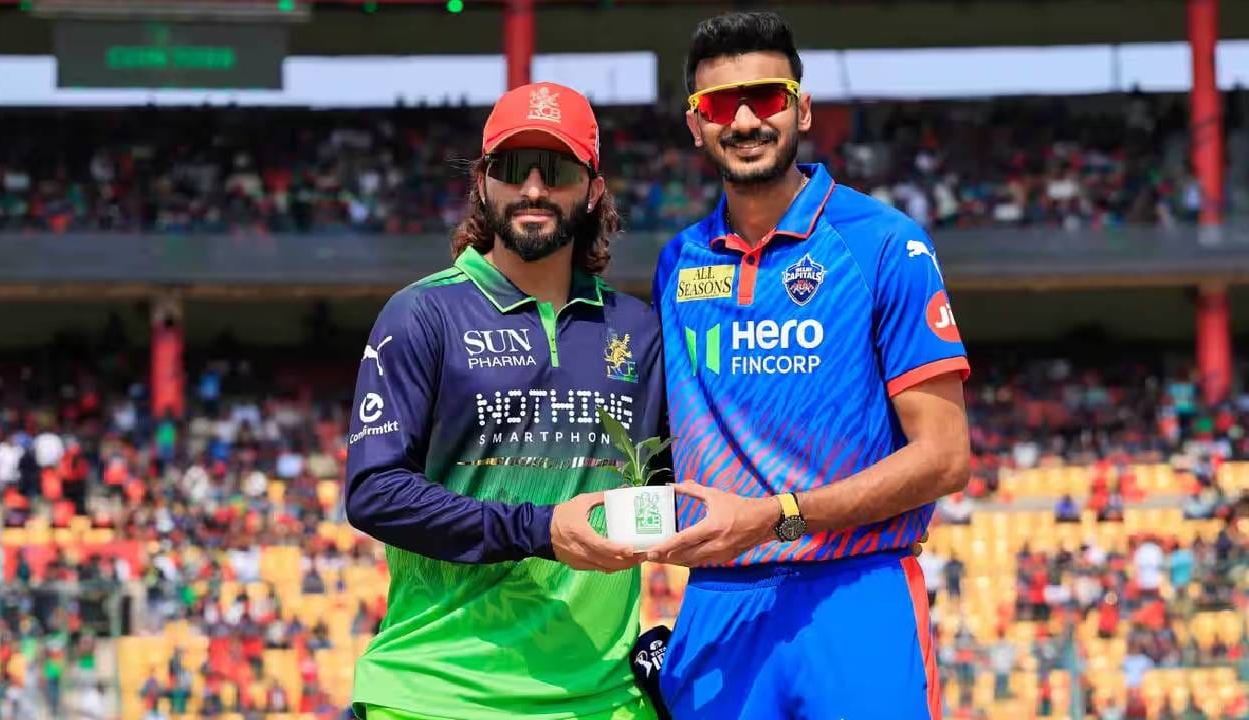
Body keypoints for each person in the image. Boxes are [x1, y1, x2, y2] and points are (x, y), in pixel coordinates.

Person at [648, 12, 971, 719]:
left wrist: (778, 517)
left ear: (801, 109)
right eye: (719, 106)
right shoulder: (676, 263)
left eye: (765, 98)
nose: (744, 121)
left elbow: (946, 458)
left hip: (856, 591)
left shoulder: (884, 243)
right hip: (718, 601)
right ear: (695, 124)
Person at [344, 81, 666, 720]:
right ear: (483, 182)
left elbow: (668, 490)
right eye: (514, 168)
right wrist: (541, 530)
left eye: (559, 170)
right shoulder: (422, 313)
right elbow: (375, 491)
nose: (534, 189)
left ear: (593, 190)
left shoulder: (639, 330)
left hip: (602, 699)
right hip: (435, 694)